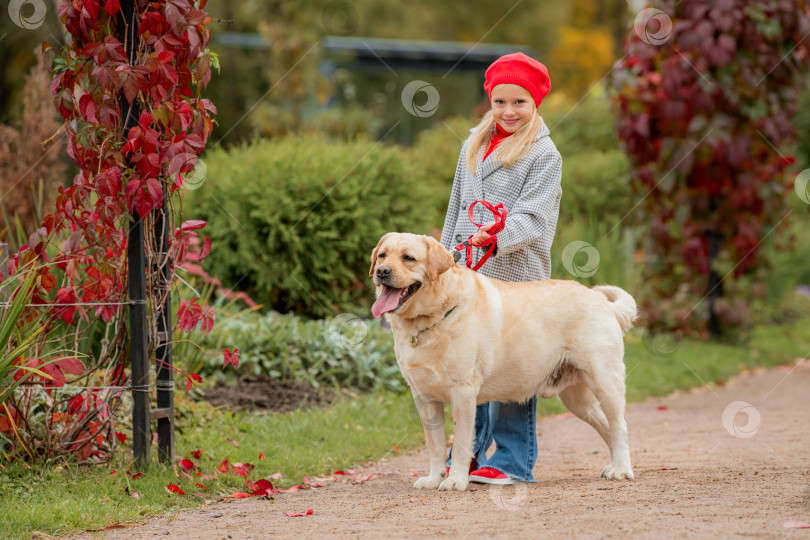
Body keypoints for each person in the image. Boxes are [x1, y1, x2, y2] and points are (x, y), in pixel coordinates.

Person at [440, 52, 563, 485]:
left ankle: (512, 460)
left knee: (514, 364)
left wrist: (495, 234)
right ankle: (468, 453)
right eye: (500, 102)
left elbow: (535, 217)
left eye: (520, 103)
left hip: (517, 273)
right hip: (468, 273)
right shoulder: (471, 145)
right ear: (489, 101)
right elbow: (456, 206)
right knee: (468, 362)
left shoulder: (544, 154)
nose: (508, 112)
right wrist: (443, 258)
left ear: (536, 103)